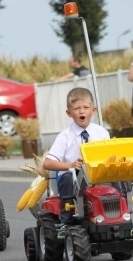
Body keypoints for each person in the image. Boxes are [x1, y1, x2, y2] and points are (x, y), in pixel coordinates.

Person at [43, 87, 109, 233]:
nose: (81, 111)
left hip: (98, 174)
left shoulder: (102, 133)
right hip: (74, 175)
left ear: (93, 110)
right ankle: (67, 220)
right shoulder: (65, 136)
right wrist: (70, 165)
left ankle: (117, 214)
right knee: (66, 177)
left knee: (119, 181)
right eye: (76, 108)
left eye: (86, 107)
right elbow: (47, 163)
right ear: (69, 113)